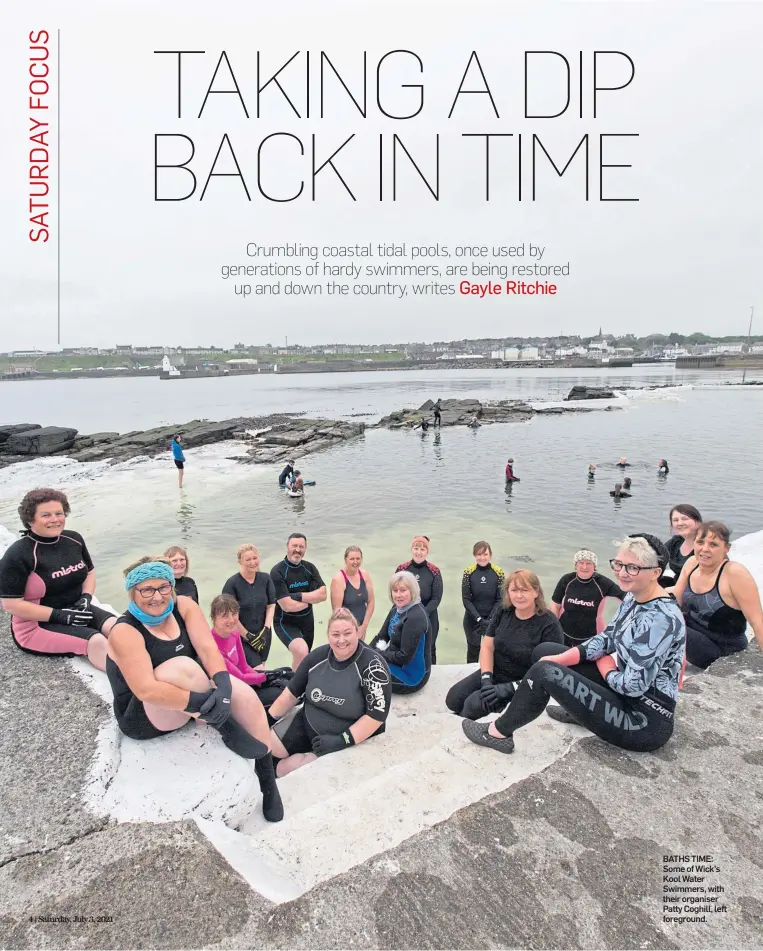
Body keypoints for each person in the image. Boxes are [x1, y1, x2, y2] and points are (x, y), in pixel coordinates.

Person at [462, 534, 686, 754]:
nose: (622, 573)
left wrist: (606, 667)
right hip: (624, 699)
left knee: (544, 671)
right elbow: (607, 638)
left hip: (642, 721)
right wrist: (562, 659)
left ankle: (498, 733)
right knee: (546, 652)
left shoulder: (660, 618)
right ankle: (580, 710)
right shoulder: (634, 597)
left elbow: (632, 686)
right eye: (619, 564)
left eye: (632, 568)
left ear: (655, 573)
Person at [105, 557, 283, 821]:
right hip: (146, 715)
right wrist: (208, 703)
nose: (157, 597)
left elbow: (208, 649)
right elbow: (146, 690)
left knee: (245, 695)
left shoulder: (184, 606)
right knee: (181, 666)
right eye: (147, 590)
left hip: (191, 701)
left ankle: (269, 784)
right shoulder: (125, 631)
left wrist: (222, 687)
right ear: (133, 592)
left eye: (164, 587)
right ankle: (223, 724)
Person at [0, 488, 117, 669]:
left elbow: (90, 572)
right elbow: (11, 604)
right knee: (97, 641)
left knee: (120, 628)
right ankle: (135, 688)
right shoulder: (18, 554)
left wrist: (86, 597)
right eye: (46, 515)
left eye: (59, 513)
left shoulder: (73, 539)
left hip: (76, 609)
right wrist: (59, 615)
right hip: (36, 626)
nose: (55, 519)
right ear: (30, 519)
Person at [267, 608, 392, 776]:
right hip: (307, 722)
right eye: (335, 634)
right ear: (328, 635)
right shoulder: (317, 657)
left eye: (347, 633)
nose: (341, 640)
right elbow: (291, 694)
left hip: (345, 734)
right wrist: (266, 720)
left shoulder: (373, 666)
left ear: (358, 632)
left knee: (298, 770)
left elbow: (376, 716)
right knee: (266, 748)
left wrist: (342, 740)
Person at [447, 569, 564, 720]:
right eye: (514, 590)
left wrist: (510, 688)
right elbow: (488, 646)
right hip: (497, 671)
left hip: (525, 682)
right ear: (508, 592)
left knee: (472, 705)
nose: (519, 595)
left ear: (536, 592)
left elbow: (550, 672)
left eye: (524, 590)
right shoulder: (503, 611)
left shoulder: (549, 624)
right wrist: (486, 678)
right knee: (453, 699)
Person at [672, 521, 763, 669]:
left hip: (721, 648)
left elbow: (757, 621)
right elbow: (676, 597)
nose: (705, 549)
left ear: (726, 548)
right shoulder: (692, 563)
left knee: (663, 622)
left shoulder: (735, 574)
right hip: (693, 632)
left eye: (713, 545)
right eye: (700, 542)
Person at [209, 594, 291, 709]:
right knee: (284, 693)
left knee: (288, 672)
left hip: (244, 681)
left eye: (234, 614)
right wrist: (267, 677)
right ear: (213, 618)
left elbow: (244, 666)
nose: (231, 620)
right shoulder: (212, 646)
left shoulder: (234, 633)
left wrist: (262, 681)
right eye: (224, 616)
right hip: (235, 692)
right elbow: (240, 678)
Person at [270, 534, 327, 669]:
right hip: (285, 622)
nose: (297, 549)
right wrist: (311, 600)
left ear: (305, 548)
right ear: (287, 547)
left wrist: (298, 595)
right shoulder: (277, 572)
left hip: (307, 621)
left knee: (305, 657)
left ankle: (298, 682)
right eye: (294, 546)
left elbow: (323, 594)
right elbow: (287, 606)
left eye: (301, 546)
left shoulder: (309, 568)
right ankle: (295, 686)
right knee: (301, 650)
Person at [369, 571, 431, 694]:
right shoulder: (397, 608)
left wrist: (377, 654)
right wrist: (366, 652)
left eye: (403, 590)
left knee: (362, 674)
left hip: (411, 677)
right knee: (359, 663)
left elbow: (404, 657)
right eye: (395, 591)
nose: (398, 595)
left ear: (412, 591)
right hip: (396, 662)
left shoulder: (415, 617)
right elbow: (382, 636)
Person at [551, 550, 624, 648]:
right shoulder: (567, 580)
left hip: (590, 639)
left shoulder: (602, 583)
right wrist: (555, 628)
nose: (584, 567)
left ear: (594, 566)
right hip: (563, 634)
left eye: (589, 563)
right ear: (575, 565)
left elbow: (626, 597)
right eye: (581, 563)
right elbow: (555, 605)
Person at [222, 544, 276, 665]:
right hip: (240, 637)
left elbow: (271, 605)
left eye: (255, 558)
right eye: (248, 559)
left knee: (262, 666)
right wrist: (247, 635)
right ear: (240, 562)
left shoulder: (266, 579)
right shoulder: (232, 584)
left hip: (264, 634)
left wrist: (266, 629)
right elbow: (228, 615)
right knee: (256, 669)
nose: (252, 562)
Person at [396, 536, 443, 663]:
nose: (419, 552)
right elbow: (396, 593)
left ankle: (431, 673)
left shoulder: (434, 571)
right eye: (416, 548)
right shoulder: (402, 569)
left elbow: (436, 598)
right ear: (411, 549)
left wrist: (422, 615)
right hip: (405, 616)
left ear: (427, 552)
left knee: (429, 648)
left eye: (422, 549)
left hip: (429, 616)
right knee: (406, 648)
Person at [461, 541, 506, 663]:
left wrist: (490, 619)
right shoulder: (468, 572)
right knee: (473, 651)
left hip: (493, 620)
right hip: (472, 619)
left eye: (485, 554)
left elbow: (500, 599)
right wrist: (479, 619)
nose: (482, 557)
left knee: (493, 651)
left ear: (490, 555)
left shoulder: (499, 572)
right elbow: (466, 599)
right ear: (474, 556)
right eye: (479, 554)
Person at [330, 546, 376, 638]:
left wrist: (364, 627)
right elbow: (337, 613)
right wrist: (351, 631)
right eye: (352, 559)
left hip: (362, 629)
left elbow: (371, 601)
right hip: (345, 631)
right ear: (345, 560)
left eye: (358, 559)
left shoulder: (365, 575)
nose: (355, 562)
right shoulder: (338, 579)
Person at [659, 504, 703, 588]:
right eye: (675, 520)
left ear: (698, 522)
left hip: (697, 590)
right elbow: (656, 555)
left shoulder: (706, 545)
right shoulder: (676, 542)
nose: (680, 523)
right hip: (677, 585)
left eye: (684, 519)